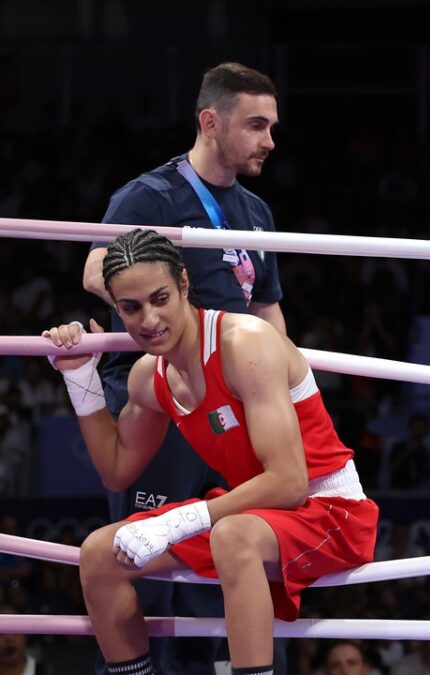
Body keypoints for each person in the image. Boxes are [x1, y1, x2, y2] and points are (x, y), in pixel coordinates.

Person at [44, 229, 378, 675]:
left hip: (330, 511)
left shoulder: (245, 343)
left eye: (159, 298)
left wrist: (176, 521)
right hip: (249, 516)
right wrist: (79, 378)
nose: (148, 320)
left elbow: (289, 482)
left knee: (232, 535)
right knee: (100, 554)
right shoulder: (149, 378)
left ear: (184, 284)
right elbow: (117, 471)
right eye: (131, 308)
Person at [81, 62, 287, 673]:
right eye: (255, 125)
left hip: (235, 400)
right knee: (146, 558)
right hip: (167, 398)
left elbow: (268, 310)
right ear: (210, 121)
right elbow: (97, 271)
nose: (269, 141)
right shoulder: (150, 195)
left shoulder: (256, 212)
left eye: (271, 127)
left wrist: (295, 393)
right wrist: (170, 313)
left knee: (223, 557)